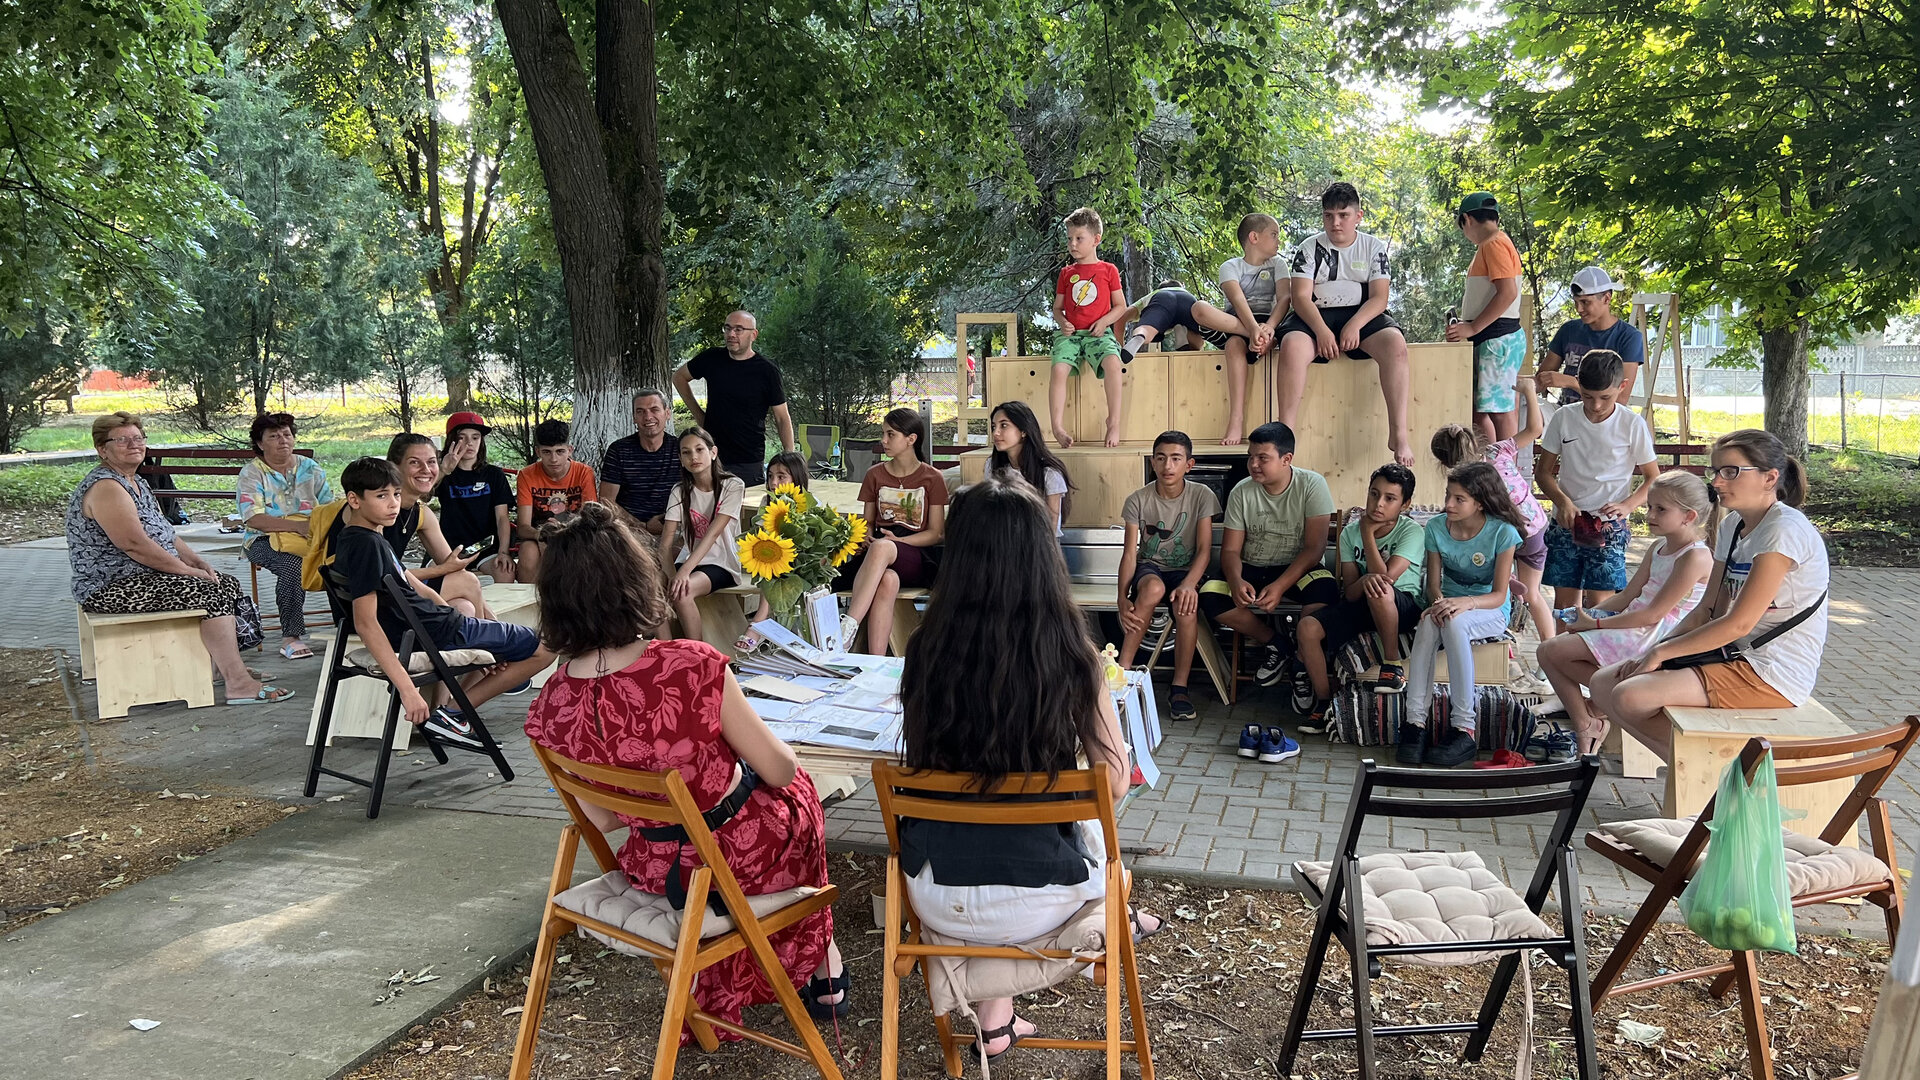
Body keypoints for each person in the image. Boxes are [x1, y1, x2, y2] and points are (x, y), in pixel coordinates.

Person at [523, 502, 848, 1040]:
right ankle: (818, 954)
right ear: (636, 580)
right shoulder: (689, 665)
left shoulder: (551, 702)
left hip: (654, 866)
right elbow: (779, 769)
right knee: (798, 794)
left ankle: (776, 963)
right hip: (732, 862)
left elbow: (602, 820)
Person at [896, 475, 1161, 1063]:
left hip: (937, 892)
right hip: (1042, 897)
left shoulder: (925, 650)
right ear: (1043, 557)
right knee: (1084, 828)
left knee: (1003, 820)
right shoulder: (1072, 657)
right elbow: (1113, 784)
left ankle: (996, 1018)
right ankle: (1012, 1004)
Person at [1589, 430, 1829, 762]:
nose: (1716, 482)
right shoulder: (1733, 526)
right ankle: (1705, 768)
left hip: (1774, 671)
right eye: (1715, 471)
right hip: (1732, 656)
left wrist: (1661, 653)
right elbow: (1708, 610)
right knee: (1604, 683)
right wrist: (1657, 652)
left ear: (1770, 478)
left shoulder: (1784, 530)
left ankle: (1710, 768)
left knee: (1631, 696)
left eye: (1730, 471)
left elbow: (1739, 624)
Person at [67, 412, 291, 706]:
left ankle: (222, 667)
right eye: (122, 440)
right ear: (102, 449)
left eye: (138, 438)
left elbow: (166, 534)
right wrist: (185, 571)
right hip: (111, 586)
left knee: (225, 583)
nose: (134, 445)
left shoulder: (135, 481)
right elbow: (135, 546)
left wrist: (197, 562)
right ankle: (238, 683)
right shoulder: (107, 487)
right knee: (209, 593)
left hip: (144, 577)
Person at [332, 458, 554, 745]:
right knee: (545, 648)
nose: (393, 504)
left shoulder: (359, 537)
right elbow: (365, 623)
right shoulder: (367, 546)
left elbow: (415, 587)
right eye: (381, 496)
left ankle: (454, 711)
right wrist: (407, 690)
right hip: (435, 633)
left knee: (499, 642)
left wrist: (457, 618)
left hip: (441, 625)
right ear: (354, 500)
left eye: (396, 494)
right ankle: (453, 714)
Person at [1537, 471, 1713, 754]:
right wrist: (1585, 614)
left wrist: (1593, 624)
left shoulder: (1696, 556)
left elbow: (1654, 614)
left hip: (1656, 634)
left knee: (1551, 651)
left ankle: (1591, 716)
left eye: (1661, 509)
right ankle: (1591, 715)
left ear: (1689, 516)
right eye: (1650, 506)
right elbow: (1627, 597)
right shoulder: (1658, 547)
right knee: (1550, 650)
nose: (1650, 515)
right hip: (1635, 623)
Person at [1196, 421, 1338, 712]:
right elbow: (1231, 550)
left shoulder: (1312, 485)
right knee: (1210, 595)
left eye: (1263, 458)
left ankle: (1302, 662)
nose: (1254, 464)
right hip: (1253, 567)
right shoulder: (1241, 491)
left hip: (1299, 568)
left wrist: (1280, 586)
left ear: (1286, 459)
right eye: (1251, 457)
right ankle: (1278, 644)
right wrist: (1236, 581)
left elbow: (1314, 549)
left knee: (1325, 591)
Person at [1273, 183, 1415, 466]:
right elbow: (1300, 297)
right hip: (1314, 315)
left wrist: (1355, 325)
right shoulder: (1309, 247)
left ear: (1358, 216)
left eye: (1343, 215)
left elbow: (1380, 298)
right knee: (1291, 346)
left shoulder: (1373, 247)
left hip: (1363, 313)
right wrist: (1322, 331)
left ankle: (1398, 432)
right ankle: (1285, 433)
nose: (1335, 223)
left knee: (1396, 344)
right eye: (1328, 216)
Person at [1398, 463, 1525, 768]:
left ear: (1480, 502)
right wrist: (1439, 603)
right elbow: (1432, 584)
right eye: (1448, 495)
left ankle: (1464, 728)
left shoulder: (1503, 532)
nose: (1449, 504)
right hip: (1448, 604)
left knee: (1453, 622)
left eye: (1459, 499)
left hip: (1488, 608)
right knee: (1429, 622)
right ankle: (1415, 725)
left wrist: (1464, 603)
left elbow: (1499, 594)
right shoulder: (1436, 527)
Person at [1294, 464, 1424, 729]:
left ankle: (1392, 665)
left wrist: (1367, 533)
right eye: (1374, 494)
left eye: (1390, 498)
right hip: (1364, 602)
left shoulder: (1411, 532)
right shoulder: (1349, 533)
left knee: (1380, 588)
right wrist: (1364, 579)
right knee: (1307, 627)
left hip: (1402, 606)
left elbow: (1386, 578)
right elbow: (1351, 592)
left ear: (1405, 504)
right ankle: (1324, 702)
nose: (1378, 504)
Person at [1536, 349, 1660, 609]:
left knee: (1601, 604)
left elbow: (1653, 478)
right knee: (1565, 606)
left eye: (1605, 397)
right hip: (1567, 522)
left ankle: (1593, 638)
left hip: (1609, 525)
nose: (1596, 406)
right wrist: (1563, 502)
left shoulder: (1631, 424)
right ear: (1578, 385)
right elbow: (1543, 472)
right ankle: (1564, 638)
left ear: (1622, 386)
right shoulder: (1563, 417)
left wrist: (1627, 506)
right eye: (1587, 396)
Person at [1429, 390, 1555, 643]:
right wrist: (1529, 391)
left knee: (1486, 582)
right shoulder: (1497, 451)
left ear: (1446, 465)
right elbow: (1535, 428)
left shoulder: (1469, 483)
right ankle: (1550, 647)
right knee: (1533, 595)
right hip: (1534, 528)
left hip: (1508, 535)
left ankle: (1508, 589)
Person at [1116, 431, 1219, 722]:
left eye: (1176, 458)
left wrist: (1189, 585)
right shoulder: (1138, 499)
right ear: (1152, 462)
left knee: (1186, 607)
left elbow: (1204, 550)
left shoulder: (1202, 496)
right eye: (1161, 458)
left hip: (1187, 570)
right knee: (1151, 590)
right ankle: (1122, 675)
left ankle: (1179, 688)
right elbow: (1129, 553)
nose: (1167, 466)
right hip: (1150, 567)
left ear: (1189, 464)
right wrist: (1121, 598)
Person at [842, 408, 947, 654]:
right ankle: (876, 661)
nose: (884, 440)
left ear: (911, 439)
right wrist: (866, 536)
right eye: (883, 434)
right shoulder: (875, 474)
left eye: (891, 435)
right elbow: (867, 522)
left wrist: (898, 541)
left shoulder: (932, 477)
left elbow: (936, 533)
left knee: (883, 546)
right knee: (888, 580)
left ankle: (848, 626)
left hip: (916, 554)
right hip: (879, 555)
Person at [236, 411, 332, 660]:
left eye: (287, 435)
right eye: (274, 436)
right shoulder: (252, 473)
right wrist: (296, 526)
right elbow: (253, 518)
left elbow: (328, 507)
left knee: (346, 557)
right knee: (293, 566)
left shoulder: (310, 468)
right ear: (260, 443)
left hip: (310, 537)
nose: (283, 441)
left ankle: (349, 627)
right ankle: (291, 637)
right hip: (261, 539)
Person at [672, 310, 795, 485]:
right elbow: (679, 377)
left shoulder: (767, 371)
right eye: (727, 328)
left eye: (738, 329)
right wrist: (699, 415)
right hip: (711, 455)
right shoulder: (711, 358)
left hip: (748, 459)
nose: (731, 334)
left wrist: (790, 458)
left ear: (753, 335)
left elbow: (782, 417)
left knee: (746, 503)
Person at [381, 433, 493, 620]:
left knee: (463, 607)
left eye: (431, 462)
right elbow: (385, 574)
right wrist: (442, 569)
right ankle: (488, 635)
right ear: (394, 467)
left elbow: (454, 568)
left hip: (395, 589)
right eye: (414, 462)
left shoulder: (421, 512)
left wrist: (493, 619)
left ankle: (487, 632)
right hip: (370, 598)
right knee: (467, 582)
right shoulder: (377, 509)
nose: (426, 470)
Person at [1445, 192, 1528, 441]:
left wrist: (1472, 327)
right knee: (1481, 411)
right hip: (1490, 338)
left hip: (1497, 338)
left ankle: (1503, 463)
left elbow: (1508, 292)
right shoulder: (1493, 244)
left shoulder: (1493, 243)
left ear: (1467, 219)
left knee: (1499, 411)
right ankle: (1490, 460)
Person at [1047, 207, 1129, 448]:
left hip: (1098, 334)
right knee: (1058, 369)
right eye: (1069, 238)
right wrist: (1062, 322)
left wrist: (1104, 322)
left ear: (1096, 240)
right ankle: (1057, 427)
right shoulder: (1066, 273)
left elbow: (1121, 306)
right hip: (1071, 336)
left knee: (1113, 364)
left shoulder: (1108, 270)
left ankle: (1113, 422)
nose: (1072, 244)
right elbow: (1057, 308)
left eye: (1078, 238)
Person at [659, 427, 747, 644]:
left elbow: (713, 533)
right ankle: (664, 648)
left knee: (683, 591)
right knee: (650, 588)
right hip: (689, 563)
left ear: (713, 452)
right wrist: (672, 576)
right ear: (680, 459)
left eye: (699, 449)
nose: (694, 457)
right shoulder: (679, 491)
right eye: (686, 452)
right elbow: (665, 545)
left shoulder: (732, 485)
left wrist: (683, 574)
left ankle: (697, 654)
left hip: (721, 563)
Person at [736, 451, 821, 652]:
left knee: (776, 561)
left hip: (805, 568)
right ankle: (763, 621)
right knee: (770, 559)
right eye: (770, 476)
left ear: (797, 478)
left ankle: (759, 621)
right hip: (775, 566)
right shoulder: (767, 503)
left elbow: (814, 548)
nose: (774, 483)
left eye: (781, 477)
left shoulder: (810, 504)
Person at [1217, 212, 1290, 445]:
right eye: (1274, 235)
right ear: (1254, 237)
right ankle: (1236, 419)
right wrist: (1252, 330)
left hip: (1269, 322)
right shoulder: (1230, 266)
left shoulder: (1278, 264)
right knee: (1200, 311)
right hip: (1239, 322)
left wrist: (1269, 327)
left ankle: (1265, 338)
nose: (1279, 240)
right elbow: (1237, 301)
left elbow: (1285, 298)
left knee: (1281, 333)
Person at [1538, 267, 1646, 405]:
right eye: (1576, 302)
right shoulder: (1568, 330)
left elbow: (1620, 400)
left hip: (1601, 416)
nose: (1579, 309)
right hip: (1564, 412)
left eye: (1585, 302)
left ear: (1606, 298)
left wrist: (1571, 382)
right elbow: (1540, 380)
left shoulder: (1629, 337)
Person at [434, 412, 516, 583]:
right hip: (449, 546)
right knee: (434, 581)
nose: (469, 443)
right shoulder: (441, 472)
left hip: (485, 546)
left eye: (475, 437)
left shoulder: (494, 474)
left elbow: (502, 517)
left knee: (505, 572)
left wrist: (503, 551)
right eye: (462, 437)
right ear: (451, 440)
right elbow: (423, 497)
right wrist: (443, 471)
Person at [514, 419, 597, 584]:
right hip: (539, 534)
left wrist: (562, 531)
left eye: (560, 451)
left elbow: (590, 518)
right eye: (547, 452)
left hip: (575, 532)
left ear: (570, 450)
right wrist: (542, 534)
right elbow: (522, 527)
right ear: (538, 452)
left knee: (579, 552)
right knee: (528, 553)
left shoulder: (583, 473)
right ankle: (528, 598)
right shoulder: (527, 475)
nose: (554, 459)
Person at [598, 388, 681, 535]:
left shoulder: (681, 449)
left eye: (654, 410)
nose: (648, 417)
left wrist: (672, 524)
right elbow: (606, 501)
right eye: (640, 411)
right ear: (634, 418)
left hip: (674, 528)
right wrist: (643, 526)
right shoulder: (619, 450)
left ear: (667, 413)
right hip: (628, 530)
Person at [986, 401, 1072, 536]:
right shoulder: (992, 465)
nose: (996, 433)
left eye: (1004, 425)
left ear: (1023, 431)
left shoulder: (1049, 474)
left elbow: (1051, 526)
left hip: (1038, 544)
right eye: (993, 427)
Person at [1115, 280, 1237, 360]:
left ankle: (1139, 337)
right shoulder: (1187, 293)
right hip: (1188, 300)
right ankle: (1182, 333)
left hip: (1162, 299)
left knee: (1147, 329)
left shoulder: (1154, 294)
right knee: (1197, 339)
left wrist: (1119, 346)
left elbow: (1121, 317)